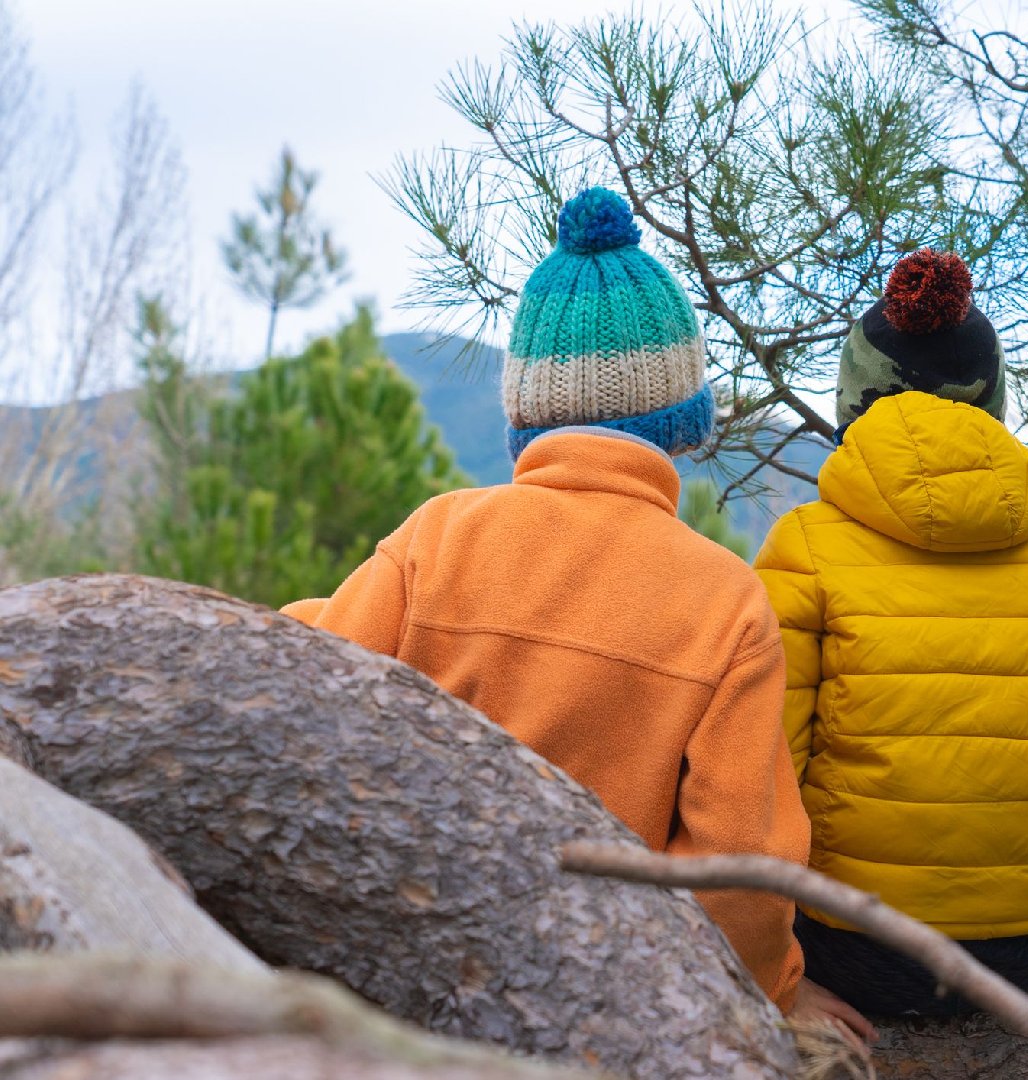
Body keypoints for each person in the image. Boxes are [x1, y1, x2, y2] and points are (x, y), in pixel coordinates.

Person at [282, 187, 865, 1034]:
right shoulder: (723, 596)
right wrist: (771, 995)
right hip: (599, 1006)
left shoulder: (437, 538)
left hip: (410, 984)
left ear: (524, 410)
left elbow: (306, 694)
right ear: (682, 416)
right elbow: (743, 869)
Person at [754, 249, 1028, 1017]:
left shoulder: (805, 543)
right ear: (991, 399)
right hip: (1027, 949)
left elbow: (765, 769)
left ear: (853, 400)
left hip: (855, 946)